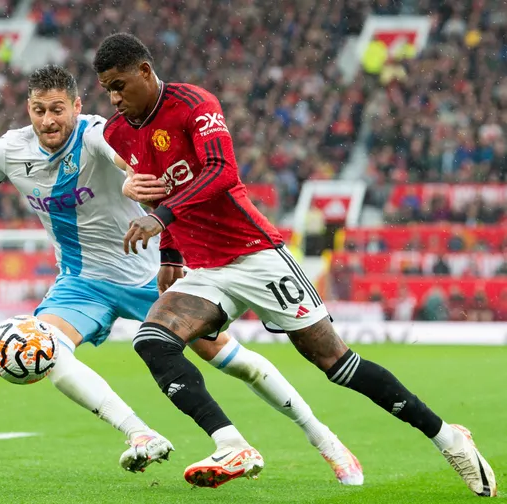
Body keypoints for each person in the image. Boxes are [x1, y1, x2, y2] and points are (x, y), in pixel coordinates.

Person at [0, 65, 362, 483]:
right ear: (28, 110)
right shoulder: (9, 151)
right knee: (45, 351)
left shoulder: (96, 134)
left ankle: (325, 439)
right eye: (38, 111)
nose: (48, 120)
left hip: (148, 277)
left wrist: (133, 176)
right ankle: (141, 434)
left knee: (233, 361)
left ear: (76, 106)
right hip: (81, 284)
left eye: (57, 109)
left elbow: (126, 159)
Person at [94, 33, 496, 496]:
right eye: (107, 89)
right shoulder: (118, 133)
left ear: (145, 71)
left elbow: (222, 171)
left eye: (120, 85)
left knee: (336, 363)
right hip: (205, 270)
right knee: (153, 341)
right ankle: (232, 445)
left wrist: (161, 219)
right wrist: (169, 253)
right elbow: (160, 191)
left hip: (256, 254)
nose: (115, 98)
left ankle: (449, 438)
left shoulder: (194, 104)